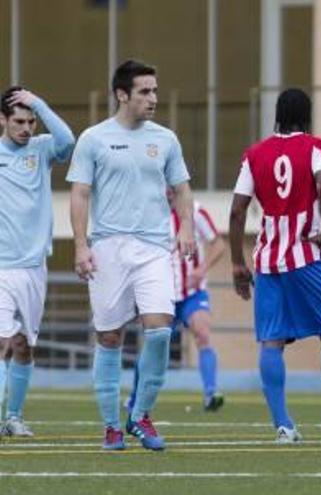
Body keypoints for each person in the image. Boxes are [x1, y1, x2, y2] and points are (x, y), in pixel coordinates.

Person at [229, 88, 321, 444]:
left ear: (277, 116)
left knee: (271, 342)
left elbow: (237, 210)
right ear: (307, 116)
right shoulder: (315, 147)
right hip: (306, 255)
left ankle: (284, 427)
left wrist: (237, 263)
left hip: (268, 261)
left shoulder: (255, 154)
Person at [67, 59, 196, 451]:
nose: (152, 98)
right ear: (122, 94)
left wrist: (187, 226)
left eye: (154, 90)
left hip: (154, 247)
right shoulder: (93, 139)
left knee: (159, 330)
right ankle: (111, 426)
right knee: (109, 336)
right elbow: (80, 193)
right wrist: (80, 245)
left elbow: (183, 189)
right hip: (108, 247)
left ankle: (140, 414)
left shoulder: (166, 140)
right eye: (144, 91)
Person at [0, 87, 74, 438]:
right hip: (1, 264)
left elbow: (68, 140)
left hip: (33, 266)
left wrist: (40, 104)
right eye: (19, 121)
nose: (26, 128)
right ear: (2, 120)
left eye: (30, 121)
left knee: (24, 347)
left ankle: (13, 416)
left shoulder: (41, 149)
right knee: (1, 341)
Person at [128, 189, 226, 413]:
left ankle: (211, 393)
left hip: (193, 293)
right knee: (153, 347)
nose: (169, 190)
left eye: (173, 184)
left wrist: (202, 269)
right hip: (163, 296)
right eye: (164, 185)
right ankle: (135, 397)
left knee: (202, 334)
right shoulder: (148, 215)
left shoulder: (196, 211)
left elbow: (219, 244)